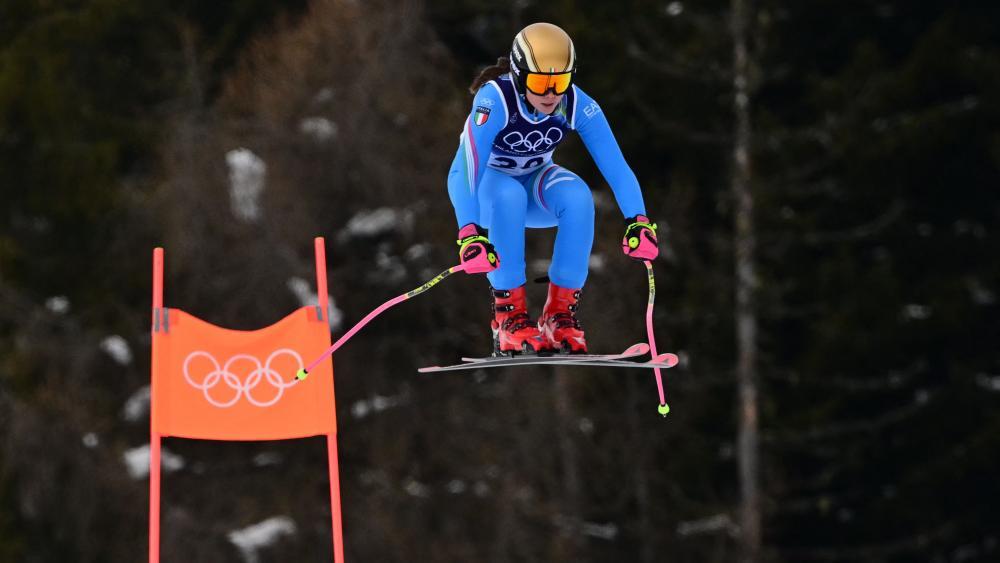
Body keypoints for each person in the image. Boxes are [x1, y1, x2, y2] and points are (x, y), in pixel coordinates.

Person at [447, 22, 659, 356]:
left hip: (534, 182)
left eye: (560, 82)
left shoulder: (573, 103)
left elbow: (616, 165)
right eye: (540, 83)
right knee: (509, 195)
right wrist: (469, 233)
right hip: (487, 188)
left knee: (578, 197)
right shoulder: (496, 99)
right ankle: (508, 317)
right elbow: (465, 169)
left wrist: (639, 221)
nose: (550, 94)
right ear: (519, 76)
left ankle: (558, 316)